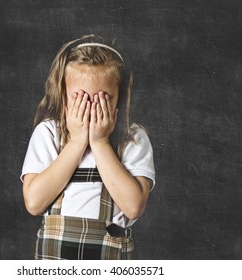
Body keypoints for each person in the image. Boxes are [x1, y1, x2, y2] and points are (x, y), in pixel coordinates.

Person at [21, 34, 155, 260]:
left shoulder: (132, 138)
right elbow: (34, 203)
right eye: (81, 99)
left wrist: (100, 142)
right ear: (64, 97)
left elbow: (133, 207)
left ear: (119, 98)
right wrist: (77, 141)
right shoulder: (49, 133)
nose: (91, 108)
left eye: (103, 99)